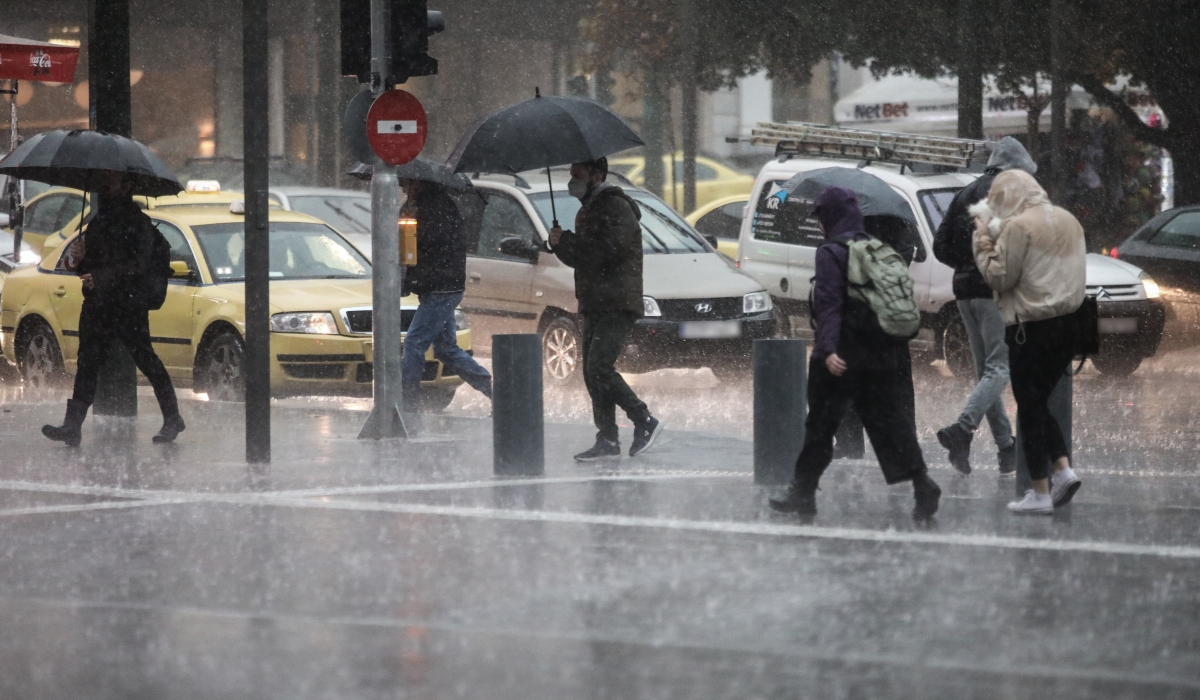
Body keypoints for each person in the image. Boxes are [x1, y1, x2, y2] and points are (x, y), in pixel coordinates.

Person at [769, 186, 940, 521]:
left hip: (843, 358)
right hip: (881, 354)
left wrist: (827, 350)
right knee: (891, 424)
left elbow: (830, 306)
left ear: (830, 216)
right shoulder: (876, 248)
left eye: (820, 217)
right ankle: (923, 483)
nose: (818, 225)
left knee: (819, 426)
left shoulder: (832, 252)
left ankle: (802, 493)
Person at [973, 169, 1086, 515]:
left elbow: (999, 276)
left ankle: (1040, 491)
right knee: (1036, 403)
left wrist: (982, 240)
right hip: (1071, 326)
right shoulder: (1069, 220)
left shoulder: (1019, 227)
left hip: (1032, 327)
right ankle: (1063, 471)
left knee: (1030, 405)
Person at [42, 173, 184, 447]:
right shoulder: (98, 222)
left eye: (111, 181)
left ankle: (173, 417)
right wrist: (79, 259)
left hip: (128, 306)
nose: (104, 185)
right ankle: (73, 426)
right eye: (103, 181)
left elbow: (139, 265)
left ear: (127, 187)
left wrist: (102, 276)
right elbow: (89, 268)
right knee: (88, 363)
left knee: (146, 360)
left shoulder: (139, 224)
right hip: (98, 305)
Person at [932, 136, 1038, 476]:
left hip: (963, 289)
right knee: (1000, 366)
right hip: (994, 288)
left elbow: (940, 246)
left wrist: (966, 265)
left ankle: (1007, 448)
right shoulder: (1011, 192)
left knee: (986, 370)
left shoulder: (965, 192)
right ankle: (962, 430)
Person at [548, 158, 663, 460]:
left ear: (597, 176)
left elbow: (608, 252)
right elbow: (582, 259)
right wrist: (560, 244)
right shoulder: (588, 209)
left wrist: (571, 241)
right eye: (571, 174)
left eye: (578, 175)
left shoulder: (614, 206)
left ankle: (644, 420)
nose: (572, 180)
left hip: (616, 301)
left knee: (599, 366)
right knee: (590, 372)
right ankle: (607, 439)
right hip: (595, 301)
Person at [399, 178, 493, 412]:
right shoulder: (432, 205)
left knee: (414, 342)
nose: (403, 188)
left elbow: (425, 245)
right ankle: (496, 391)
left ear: (418, 184)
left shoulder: (435, 208)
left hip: (441, 288)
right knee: (445, 349)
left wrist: (410, 225)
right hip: (440, 286)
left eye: (405, 184)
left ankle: (405, 402)